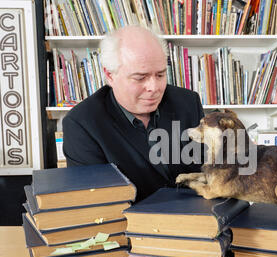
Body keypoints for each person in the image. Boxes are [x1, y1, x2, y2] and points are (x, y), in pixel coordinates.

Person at [62, 25, 205, 202]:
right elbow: (96, 204)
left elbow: (209, 172)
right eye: (140, 78)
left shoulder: (188, 102)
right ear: (110, 75)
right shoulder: (82, 124)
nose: (154, 88)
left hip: (197, 219)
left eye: (160, 75)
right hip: (130, 225)